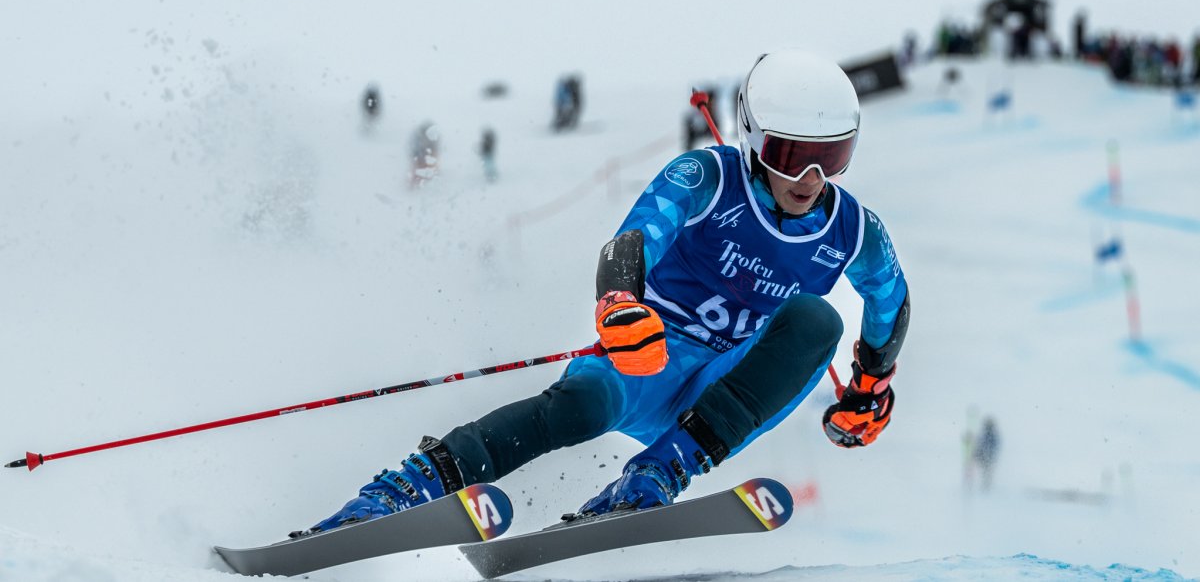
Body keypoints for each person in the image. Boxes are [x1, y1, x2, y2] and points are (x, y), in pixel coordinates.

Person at [298, 49, 911, 535]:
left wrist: (870, 383)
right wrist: (620, 303)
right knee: (577, 409)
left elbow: (891, 300)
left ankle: (657, 473)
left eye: (831, 158)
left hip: (723, 389)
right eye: (790, 155)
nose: (809, 179)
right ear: (753, 138)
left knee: (816, 321)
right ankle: (413, 484)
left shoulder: (853, 230)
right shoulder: (707, 177)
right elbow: (632, 243)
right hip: (650, 355)